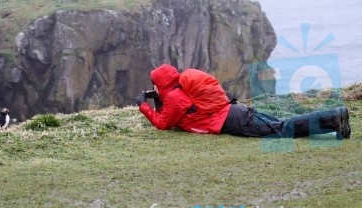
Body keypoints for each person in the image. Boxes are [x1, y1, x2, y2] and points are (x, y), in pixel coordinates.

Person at [136, 64, 351, 139]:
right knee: (282, 125)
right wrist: (157, 101)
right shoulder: (176, 92)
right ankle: (335, 122)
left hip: (232, 119)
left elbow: (164, 123)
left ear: (160, 82)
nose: (153, 87)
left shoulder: (174, 96)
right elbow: (174, 116)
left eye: (154, 83)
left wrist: (143, 106)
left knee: (282, 129)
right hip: (234, 111)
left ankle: (335, 116)